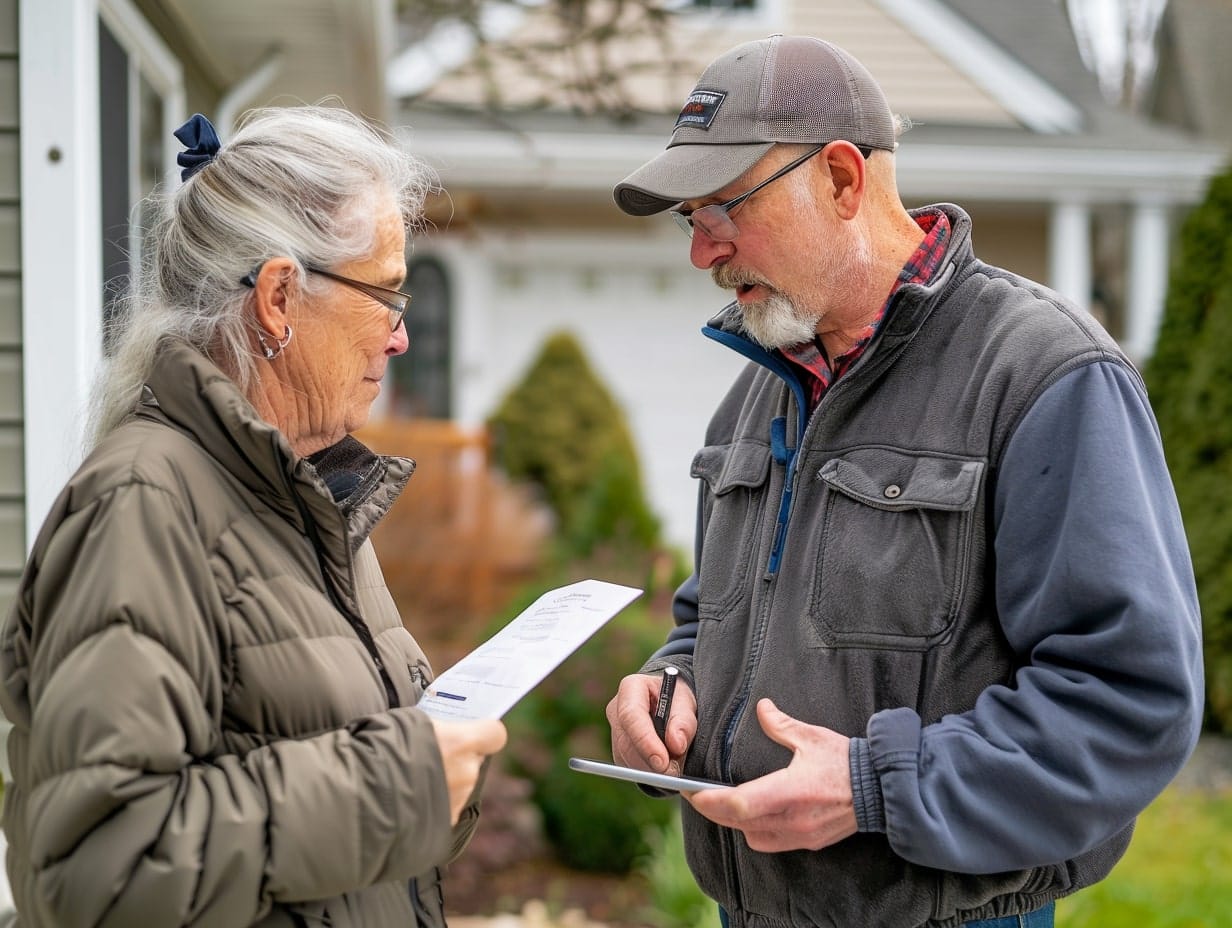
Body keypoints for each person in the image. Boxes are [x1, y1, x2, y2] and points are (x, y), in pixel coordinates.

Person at [605, 34, 1204, 928]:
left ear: (843, 180)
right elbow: (717, 616)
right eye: (691, 219)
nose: (704, 254)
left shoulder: (1043, 374)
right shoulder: (757, 390)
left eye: (725, 209)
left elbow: (1128, 701)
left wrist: (870, 789)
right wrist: (670, 683)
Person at [0, 107, 507, 927]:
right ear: (278, 298)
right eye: (386, 295)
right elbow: (95, 868)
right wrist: (397, 787)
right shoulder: (142, 506)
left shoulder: (304, 493)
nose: (402, 337)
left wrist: (437, 768)